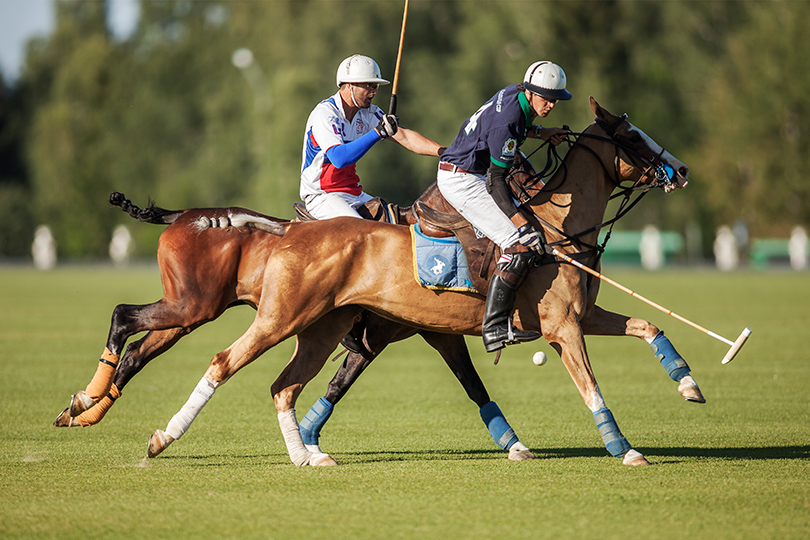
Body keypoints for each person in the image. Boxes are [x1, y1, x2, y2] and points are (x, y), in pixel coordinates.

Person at [437, 61, 572, 353]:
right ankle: (495, 328)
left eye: (555, 100)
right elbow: (496, 182)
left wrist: (541, 133)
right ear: (531, 91)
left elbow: (512, 129)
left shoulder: (514, 94)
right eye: (545, 99)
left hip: (468, 171)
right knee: (518, 243)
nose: (550, 105)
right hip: (462, 179)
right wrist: (521, 226)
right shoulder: (508, 121)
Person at [300, 54, 444, 220]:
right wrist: (376, 133)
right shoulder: (325, 113)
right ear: (349, 85)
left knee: (396, 228)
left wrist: (445, 152)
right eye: (369, 85)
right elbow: (339, 158)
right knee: (361, 235)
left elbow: (405, 137)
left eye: (375, 86)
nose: (374, 91)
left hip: (353, 193)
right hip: (322, 196)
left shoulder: (369, 113)